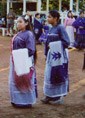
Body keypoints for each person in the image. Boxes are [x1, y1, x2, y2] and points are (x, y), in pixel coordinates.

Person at [41, 10, 70, 104]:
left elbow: (67, 42)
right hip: (51, 56)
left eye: (49, 17)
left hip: (58, 57)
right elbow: (47, 43)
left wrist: (54, 46)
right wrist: (46, 53)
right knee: (49, 74)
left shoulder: (60, 28)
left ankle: (57, 97)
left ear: (55, 18)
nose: (47, 19)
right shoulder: (50, 28)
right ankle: (49, 95)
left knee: (57, 74)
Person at [9, 15, 37, 108]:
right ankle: (17, 100)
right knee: (15, 80)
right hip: (16, 60)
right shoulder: (19, 33)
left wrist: (20, 57)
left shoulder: (28, 34)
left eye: (20, 22)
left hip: (24, 61)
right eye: (17, 22)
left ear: (26, 23)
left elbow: (31, 50)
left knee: (24, 80)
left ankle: (26, 102)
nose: (18, 24)